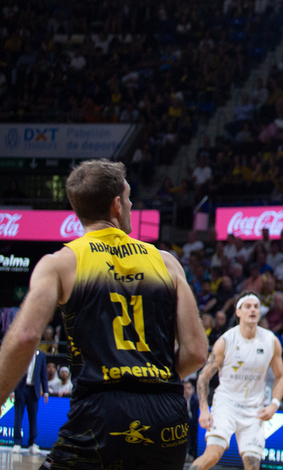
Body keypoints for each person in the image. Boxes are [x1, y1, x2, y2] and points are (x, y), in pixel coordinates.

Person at [0, 159, 207, 469]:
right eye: (128, 198)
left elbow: (26, 336)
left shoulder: (60, 263)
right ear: (116, 205)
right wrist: (150, 382)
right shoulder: (167, 262)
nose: (131, 204)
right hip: (167, 417)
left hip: (101, 412)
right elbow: (196, 352)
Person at [191, 292, 283, 470]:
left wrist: (274, 404)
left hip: (254, 410)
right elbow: (204, 376)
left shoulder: (271, 341)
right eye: (248, 306)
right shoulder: (226, 340)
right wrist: (204, 409)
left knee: (253, 466)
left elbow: (280, 377)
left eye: (256, 307)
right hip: (226, 405)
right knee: (212, 455)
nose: (253, 310)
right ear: (238, 312)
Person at [11, 343, 48, 454]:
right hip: (21, 389)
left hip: (34, 390)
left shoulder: (41, 355)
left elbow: (43, 374)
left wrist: (45, 391)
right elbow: (14, 372)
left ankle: (32, 443)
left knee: (33, 418)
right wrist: (12, 390)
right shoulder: (21, 354)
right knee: (18, 416)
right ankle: (17, 443)